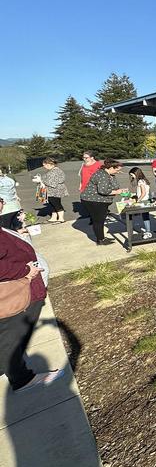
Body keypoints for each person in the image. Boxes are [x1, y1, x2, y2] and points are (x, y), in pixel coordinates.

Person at [0, 227, 64, 392]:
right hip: (14, 295)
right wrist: (26, 270)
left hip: (22, 291)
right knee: (12, 337)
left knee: (12, 335)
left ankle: (4, 366)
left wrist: (15, 235)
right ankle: (21, 379)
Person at [80, 159, 125, 245]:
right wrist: (117, 192)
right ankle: (100, 240)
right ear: (111, 167)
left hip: (99, 200)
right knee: (98, 220)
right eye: (117, 169)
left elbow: (114, 186)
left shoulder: (109, 174)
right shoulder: (102, 175)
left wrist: (120, 190)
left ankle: (101, 237)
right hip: (92, 200)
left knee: (101, 219)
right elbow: (103, 191)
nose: (118, 171)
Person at [32, 158, 68, 224]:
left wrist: (40, 180)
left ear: (49, 164)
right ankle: (54, 218)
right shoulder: (52, 170)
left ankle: (61, 218)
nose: (43, 166)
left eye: (44, 165)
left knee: (56, 204)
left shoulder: (55, 171)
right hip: (52, 191)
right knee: (52, 204)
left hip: (55, 191)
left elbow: (52, 183)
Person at [128, 167, 154, 239]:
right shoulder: (144, 180)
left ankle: (148, 232)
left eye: (132, 174)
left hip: (143, 201)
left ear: (136, 173)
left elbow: (143, 193)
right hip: (146, 200)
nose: (131, 176)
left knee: (145, 216)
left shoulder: (140, 181)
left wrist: (138, 200)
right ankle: (148, 230)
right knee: (145, 216)